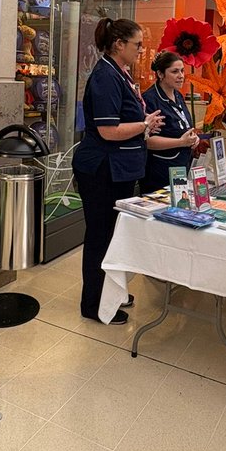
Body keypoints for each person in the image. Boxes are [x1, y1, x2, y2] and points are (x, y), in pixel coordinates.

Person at [73, 18, 164, 324]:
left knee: (113, 236)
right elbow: (109, 130)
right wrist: (144, 125)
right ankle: (95, 305)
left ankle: (112, 294)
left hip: (119, 170)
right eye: (137, 44)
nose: (141, 50)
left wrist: (143, 119)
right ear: (118, 44)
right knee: (100, 236)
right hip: (101, 171)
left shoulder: (120, 74)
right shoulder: (104, 77)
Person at [140, 51, 200, 194]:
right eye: (174, 71)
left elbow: (183, 125)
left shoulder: (177, 95)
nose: (181, 76)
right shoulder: (150, 100)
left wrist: (193, 138)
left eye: (182, 71)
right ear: (160, 74)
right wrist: (180, 142)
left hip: (181, 168)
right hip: (159, 172)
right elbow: (147, 140)